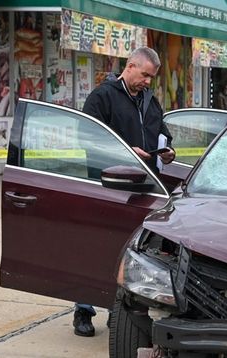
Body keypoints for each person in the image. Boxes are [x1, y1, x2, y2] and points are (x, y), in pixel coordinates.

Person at [72, 47, 175, 337]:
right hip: (105, 186)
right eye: (144, 75)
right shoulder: (102, 97)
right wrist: (127, 152)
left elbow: (162, 129)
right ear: (130, 66)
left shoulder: (149, 101)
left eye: (151, 78)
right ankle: (83, 309)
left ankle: (115, 310)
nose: (148, 82)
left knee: (127, 252)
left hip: (140, 189)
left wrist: (168, 150)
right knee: (95, 247)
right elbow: (86, 137)